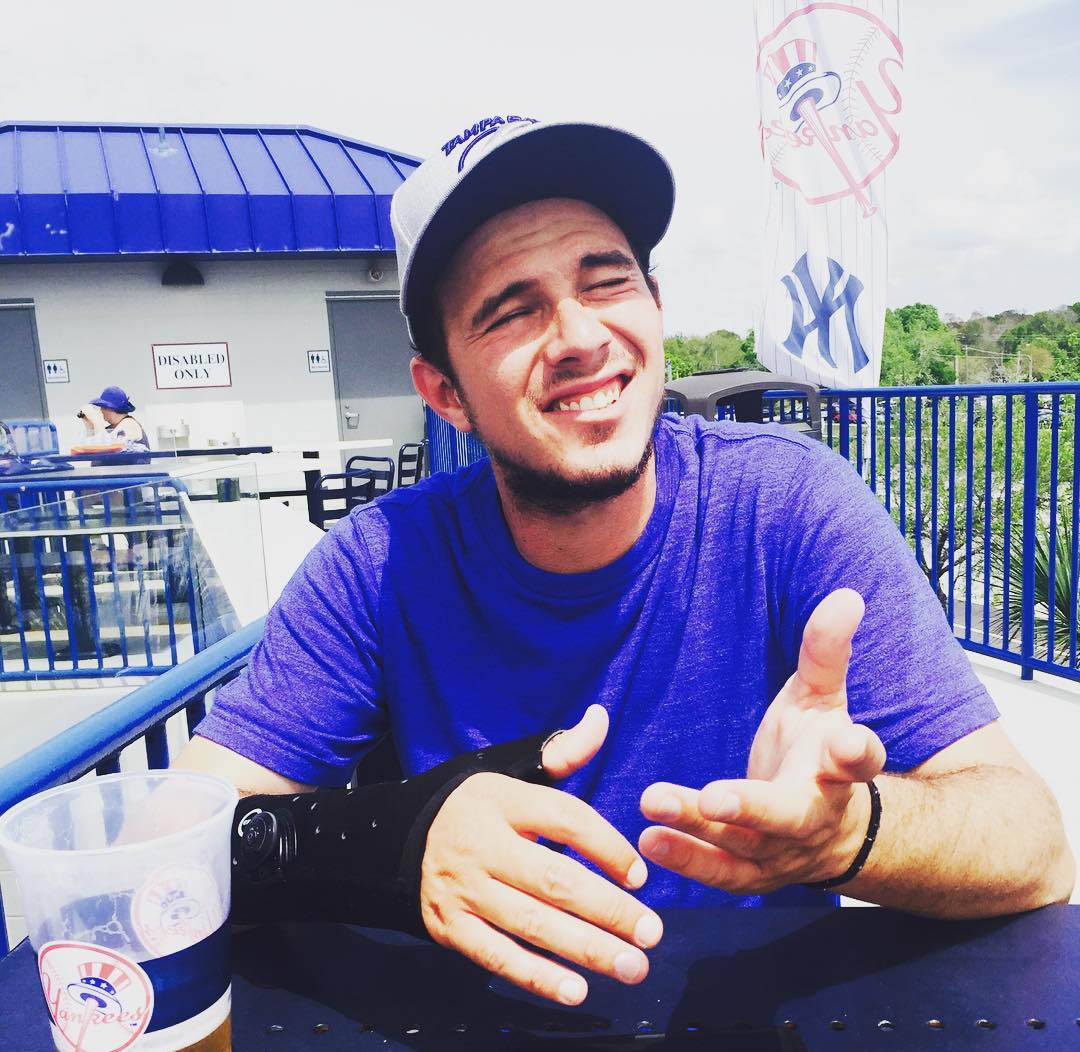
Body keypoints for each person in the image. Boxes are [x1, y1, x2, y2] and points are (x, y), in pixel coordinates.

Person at [176, 117, 1074, 1007]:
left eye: (607, 282)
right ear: (445, 392)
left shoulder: (787, 504)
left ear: (656, 309)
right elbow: (166, 850)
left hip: (754, 1050)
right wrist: (392, 844)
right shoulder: (377, 566)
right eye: (512, 310)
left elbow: (1036, 848)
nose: (579, 335)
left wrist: (850, 833)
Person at [76, 386, 150, 451]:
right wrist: (90, 427)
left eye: (103, 407)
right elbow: (92, 449)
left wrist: (96, 420)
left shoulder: (129, 424)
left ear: (111, 408)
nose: (101, 411)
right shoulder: (111, 429)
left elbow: (103, 448)